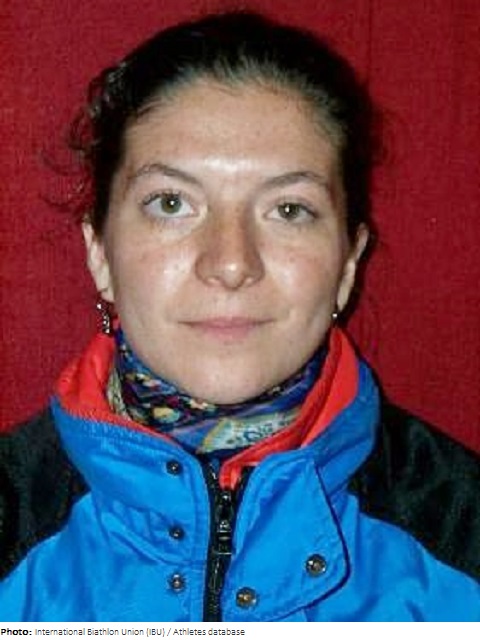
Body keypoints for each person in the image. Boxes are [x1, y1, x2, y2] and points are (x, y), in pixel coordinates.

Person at [0, 11, 478, 623]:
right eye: (171, 203)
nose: (230, 264)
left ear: (347, 264)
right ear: (100, 254)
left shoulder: (461, 536)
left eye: (288, 209)